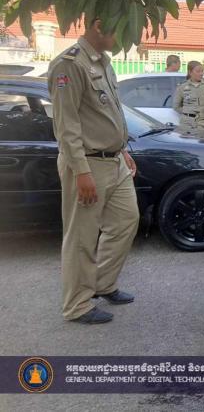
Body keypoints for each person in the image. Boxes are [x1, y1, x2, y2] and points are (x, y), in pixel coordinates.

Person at [47, 18, 139, 324]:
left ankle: (102, 284)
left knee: (126, 221)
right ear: (99, 25)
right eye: (120, 28)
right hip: (87, 164)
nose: (123, 37)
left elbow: (105, 114)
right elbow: (67, 124)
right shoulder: (69, 65)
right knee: (82, 237)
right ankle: (77, 305)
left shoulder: (103, 62)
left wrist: (121, 149)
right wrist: (80, 171)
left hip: (114, 160)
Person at [173, 60, 203, 133]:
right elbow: (176, 106)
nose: (201, 74)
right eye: (198, 71)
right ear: (190, 72)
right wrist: (188, 111)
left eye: (202, 71)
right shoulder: (182, 87)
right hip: (187, 122)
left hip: (203, 122)